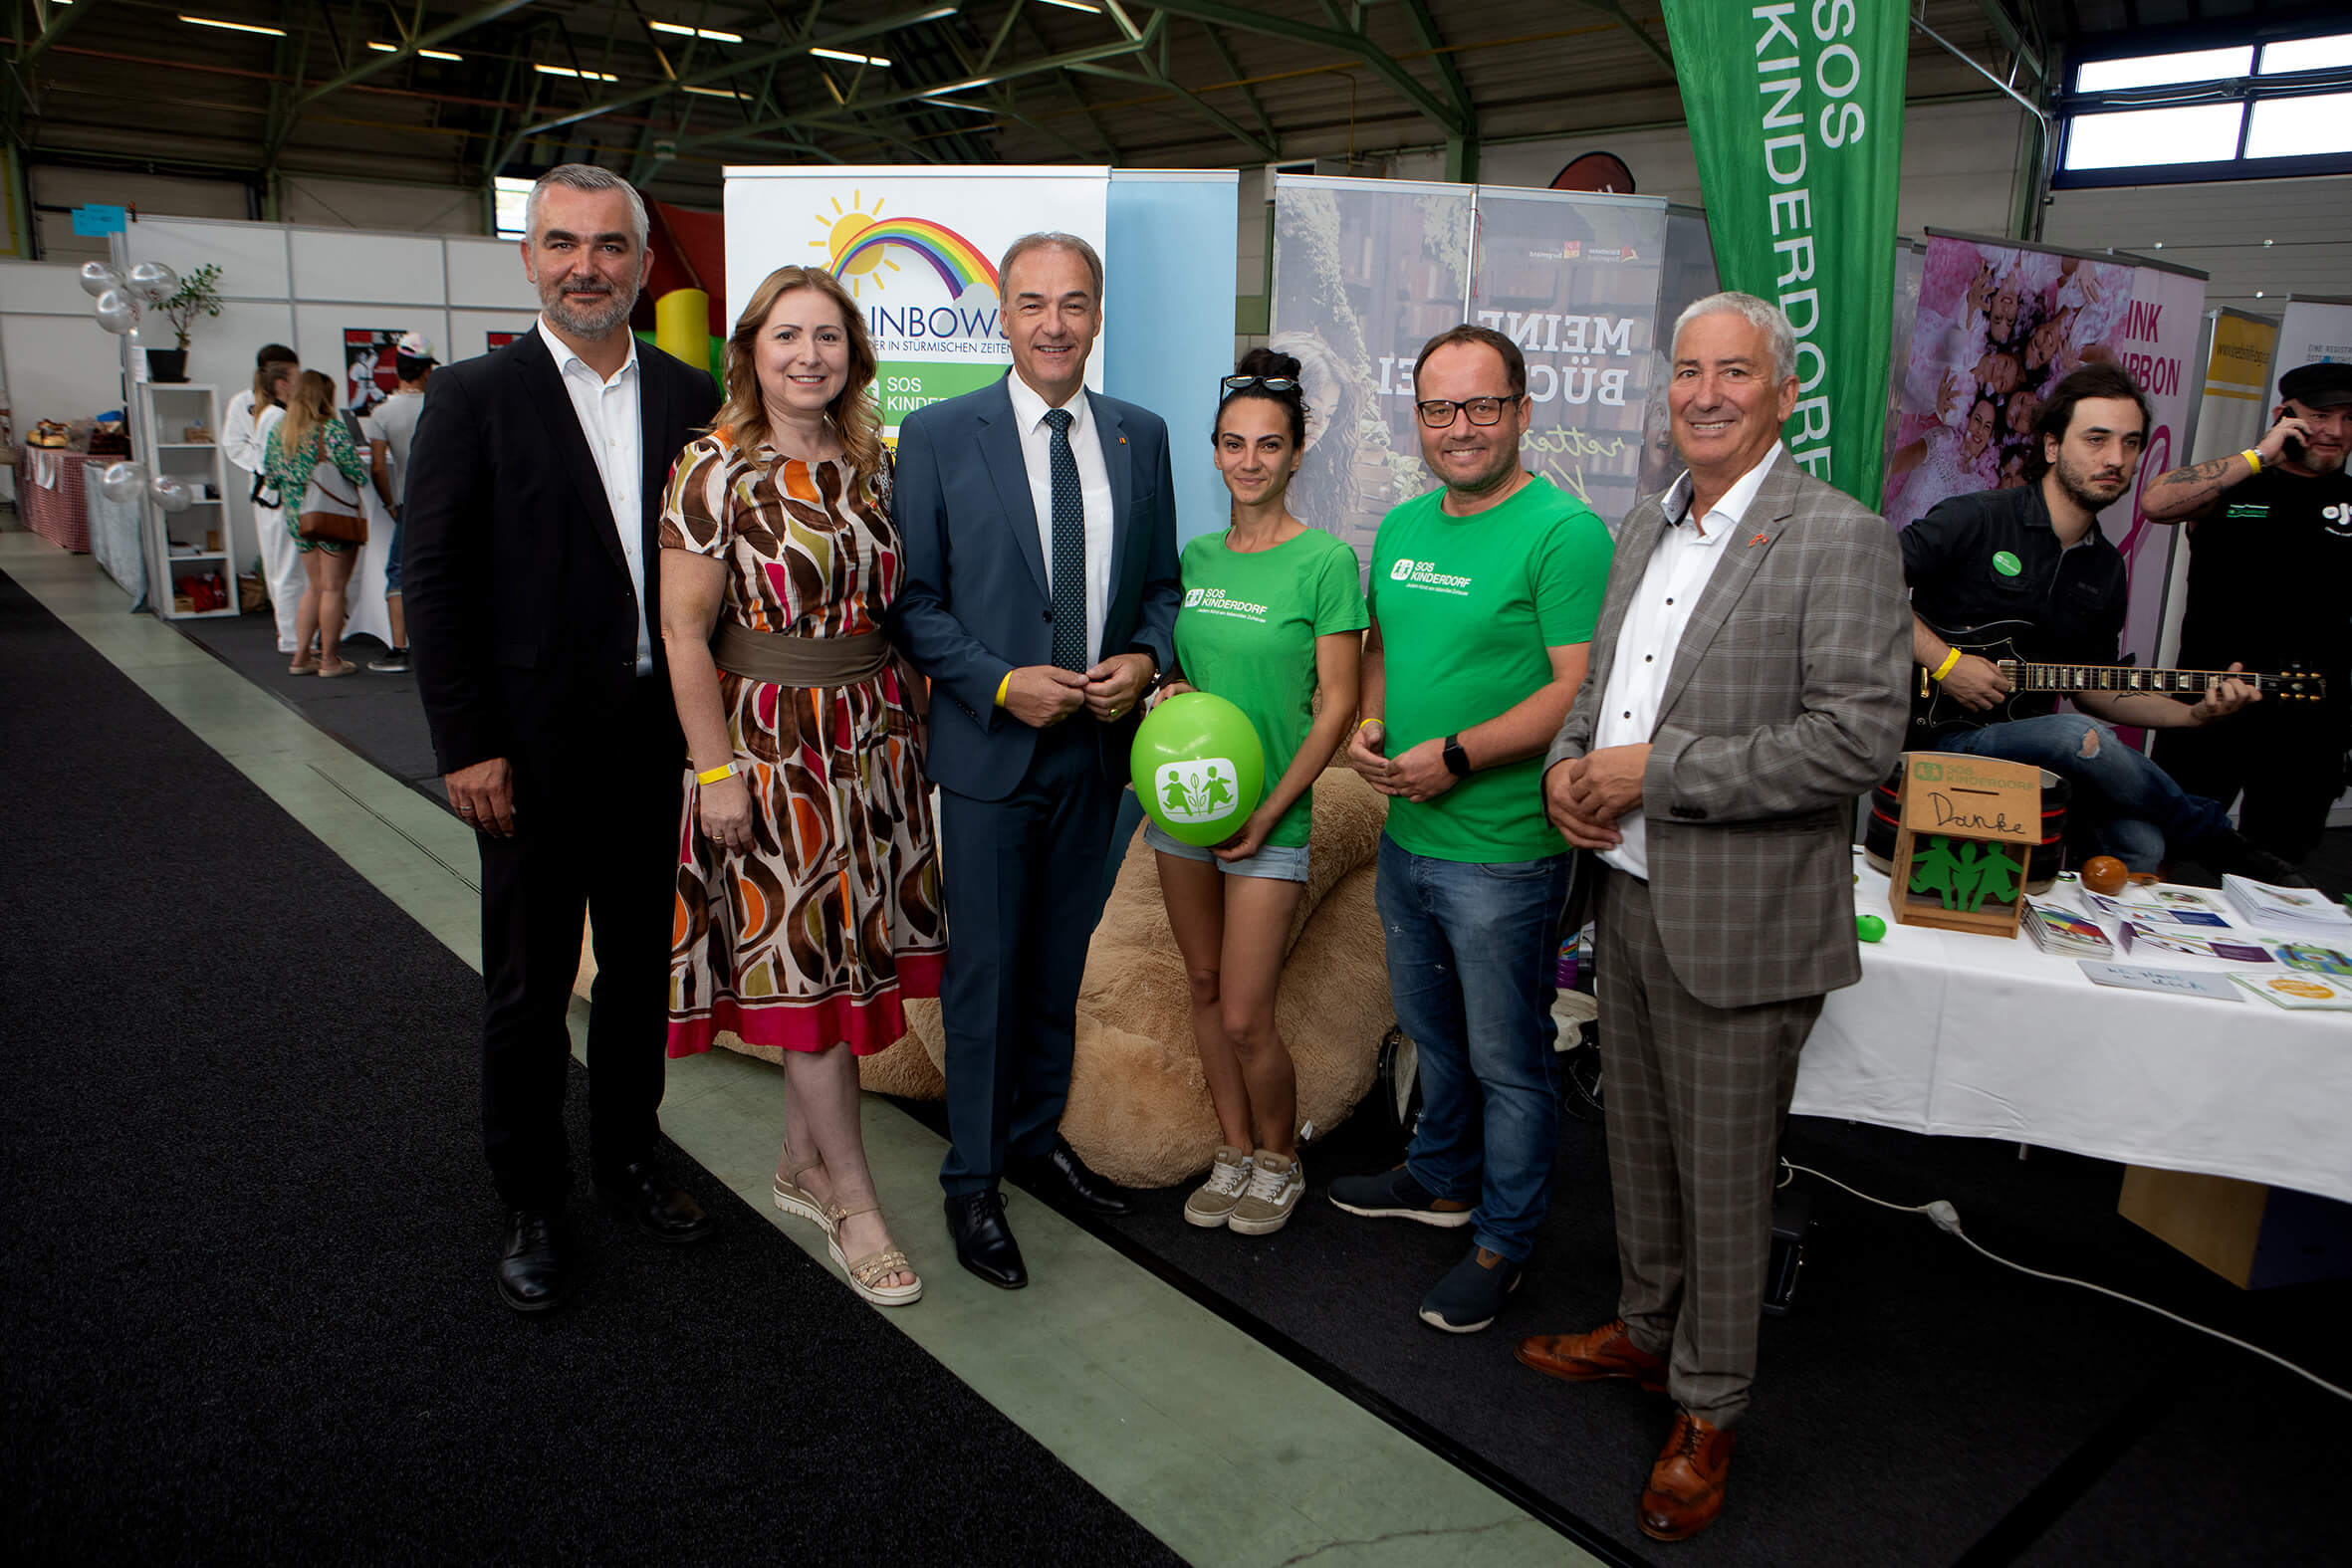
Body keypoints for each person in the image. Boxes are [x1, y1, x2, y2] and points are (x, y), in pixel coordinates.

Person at [1524, 293, 1911, 1543]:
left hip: (1742, 918)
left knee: (1725, 1182)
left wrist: (1654, 773)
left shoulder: (1840, 539)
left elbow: (1859, 740)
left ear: (1780, 393)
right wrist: (1568, 774)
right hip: (1626, 897)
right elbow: (1601, 688)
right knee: (1633, 1151)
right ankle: (1644, 1338)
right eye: (1685, 371)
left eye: (1730, 373)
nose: (1701, 393)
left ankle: (1710, 1408)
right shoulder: (1645, 521)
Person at [403, 164, 722, 1313]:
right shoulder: (472, 398)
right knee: (531, 987)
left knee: (641, 974)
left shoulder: (695, 402)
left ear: (643, 264)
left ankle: (630, 1160)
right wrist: (467, 744)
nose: (585, 265)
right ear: (528, 260)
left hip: (657, 747)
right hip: (525, 758)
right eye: (561, 244)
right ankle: (531, 1196)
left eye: (608, 245)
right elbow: (431, 583)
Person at [888, 232, 1180, 1290]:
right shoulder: (934, 436)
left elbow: (1160, 589)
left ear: (1098, 316)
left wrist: (1146, 658)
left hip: (1094, 757)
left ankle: (1030, 1138)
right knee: (986, 973)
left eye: (1073, 303)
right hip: (989, 751)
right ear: (1000, 318)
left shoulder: (1141, 437)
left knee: (1058, 970)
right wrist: (1000, 681)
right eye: (1031, 304)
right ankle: (971, 1178)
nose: (1053, 323)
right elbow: (911, 603)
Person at [658, 265, 946, 1307]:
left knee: (832, 966)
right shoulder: (714, 465)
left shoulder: (873, 462)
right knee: (810, 984)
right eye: (787, 337)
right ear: (751, 350)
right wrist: (715, 772)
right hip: (771, 752)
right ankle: (856, 1202)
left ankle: (799, 1163)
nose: (807, 356)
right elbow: (683, 633)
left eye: (827, 337)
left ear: (853, 355)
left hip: (871, 744)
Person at [1327, 324, 1612, 1334]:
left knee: (1511, 1062)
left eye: (1483, 405)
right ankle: (1440, 1180)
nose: (1461, 427)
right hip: (1410, 841)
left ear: (1522, 411)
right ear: (1417, 420)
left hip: (1506, 852)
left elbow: (1576, 692)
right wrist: (1368, 729)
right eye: (1439, 408)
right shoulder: (1403, 528)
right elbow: (1380, 655)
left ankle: (1504, 1240)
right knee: (1432, 1037)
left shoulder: (1565, 533)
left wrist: (1455, 754)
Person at [1901, 363, 2300, 884]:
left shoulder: (2105, 567)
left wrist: (2197, 716)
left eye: (2131, 444)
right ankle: (2214, 836)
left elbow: (2095, 686)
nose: (2116, 459)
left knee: (2142, 842)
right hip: (1938, 741)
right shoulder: (1975, 518)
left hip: (2038, 759)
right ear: (2050, 446)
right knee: (2079, 735)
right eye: (2097, 439)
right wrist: (1946, 661)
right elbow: (1859, 580)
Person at [1152, 348, 1365, 1237]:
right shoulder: (1195, 556)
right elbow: (1184, 674)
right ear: (1214, 452)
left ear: (1296, 452)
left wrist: (1273, 810)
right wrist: (1167, 692)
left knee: (1246, 1014)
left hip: (1271, 815)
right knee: (1201, 985)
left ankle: (1280, 1159)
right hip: (1185, 806)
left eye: (1268, 445)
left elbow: (1339, 706)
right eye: (1234, 444)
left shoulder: (1324, 561)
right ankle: (1233, 1148)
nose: (1250, 460)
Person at [2143, 360, 2352, 871]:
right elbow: (2156, 502)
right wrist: (2259, 456)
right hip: (2208, 704)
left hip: (2310, 722)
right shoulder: (2237, 483)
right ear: (2286, 415)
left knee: (2277, 874)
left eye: (2350, 419)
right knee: (2169, 857)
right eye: (2322, 416)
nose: (2337, 432)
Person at [260, 370, 368, 678]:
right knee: (334, 588)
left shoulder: (279, 430)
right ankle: (330, 661)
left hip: (298, 517)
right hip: (330, 515)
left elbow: (270, 475)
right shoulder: (331, 430)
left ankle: (301, 656)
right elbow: (356, 472)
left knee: (315, 587)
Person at [221, 345, 305, 657]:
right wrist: (263, 466)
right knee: (282, 566)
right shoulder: (246, 403)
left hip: (293, 492)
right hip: (273, 493)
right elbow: (234, 446)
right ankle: (291, 636)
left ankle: (307, 630)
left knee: (300, 566)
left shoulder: (288, 406)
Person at [360, 332, 434, 674]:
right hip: (447, 502)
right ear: (425, 370)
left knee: (399, 574)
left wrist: (390, 503)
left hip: (409, 502)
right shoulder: (440, 403)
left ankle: (399, 648)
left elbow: (378, 466)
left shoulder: (382, 414)